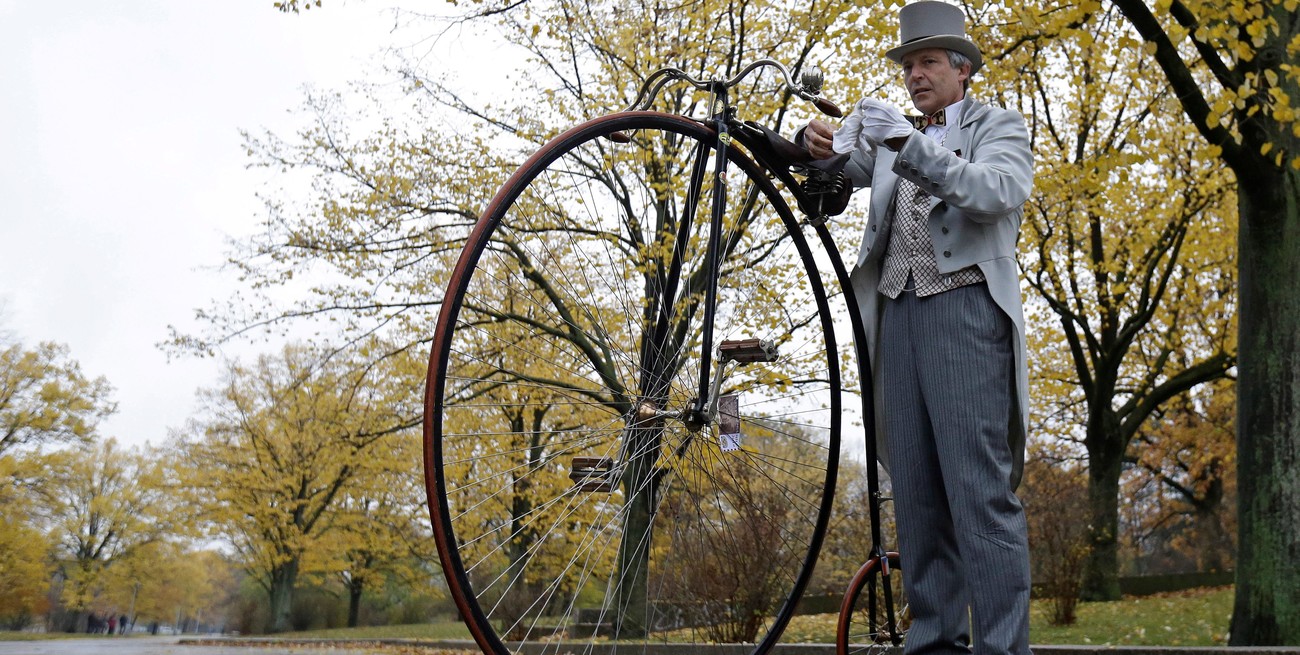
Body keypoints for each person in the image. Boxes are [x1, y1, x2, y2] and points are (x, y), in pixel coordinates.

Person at [802, 2, 1034, 653]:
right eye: (908, 64)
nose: (914, 75)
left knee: (978, 494)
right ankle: (932, 642)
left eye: (928, 61)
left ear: (962, 70)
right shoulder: (888, 135)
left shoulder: (999, 126)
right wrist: (814, 140)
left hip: (965, 316)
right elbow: (826, 177)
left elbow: (995, 192)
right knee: (917, 496)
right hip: (896, 317)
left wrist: (910, 145)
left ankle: (1002, 647)